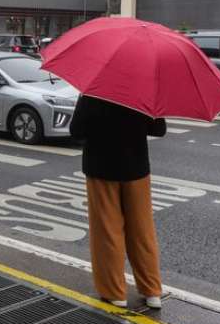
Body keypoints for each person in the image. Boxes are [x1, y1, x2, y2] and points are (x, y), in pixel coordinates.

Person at [70, 95, 166, 310]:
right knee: (142, 230)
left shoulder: (93, 92)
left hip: (101, 168)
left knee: (107, 230)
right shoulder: (144, 90)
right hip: (136, 168)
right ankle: (152, 291)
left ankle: (114, 292)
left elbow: (76, 130)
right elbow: (159, 129)